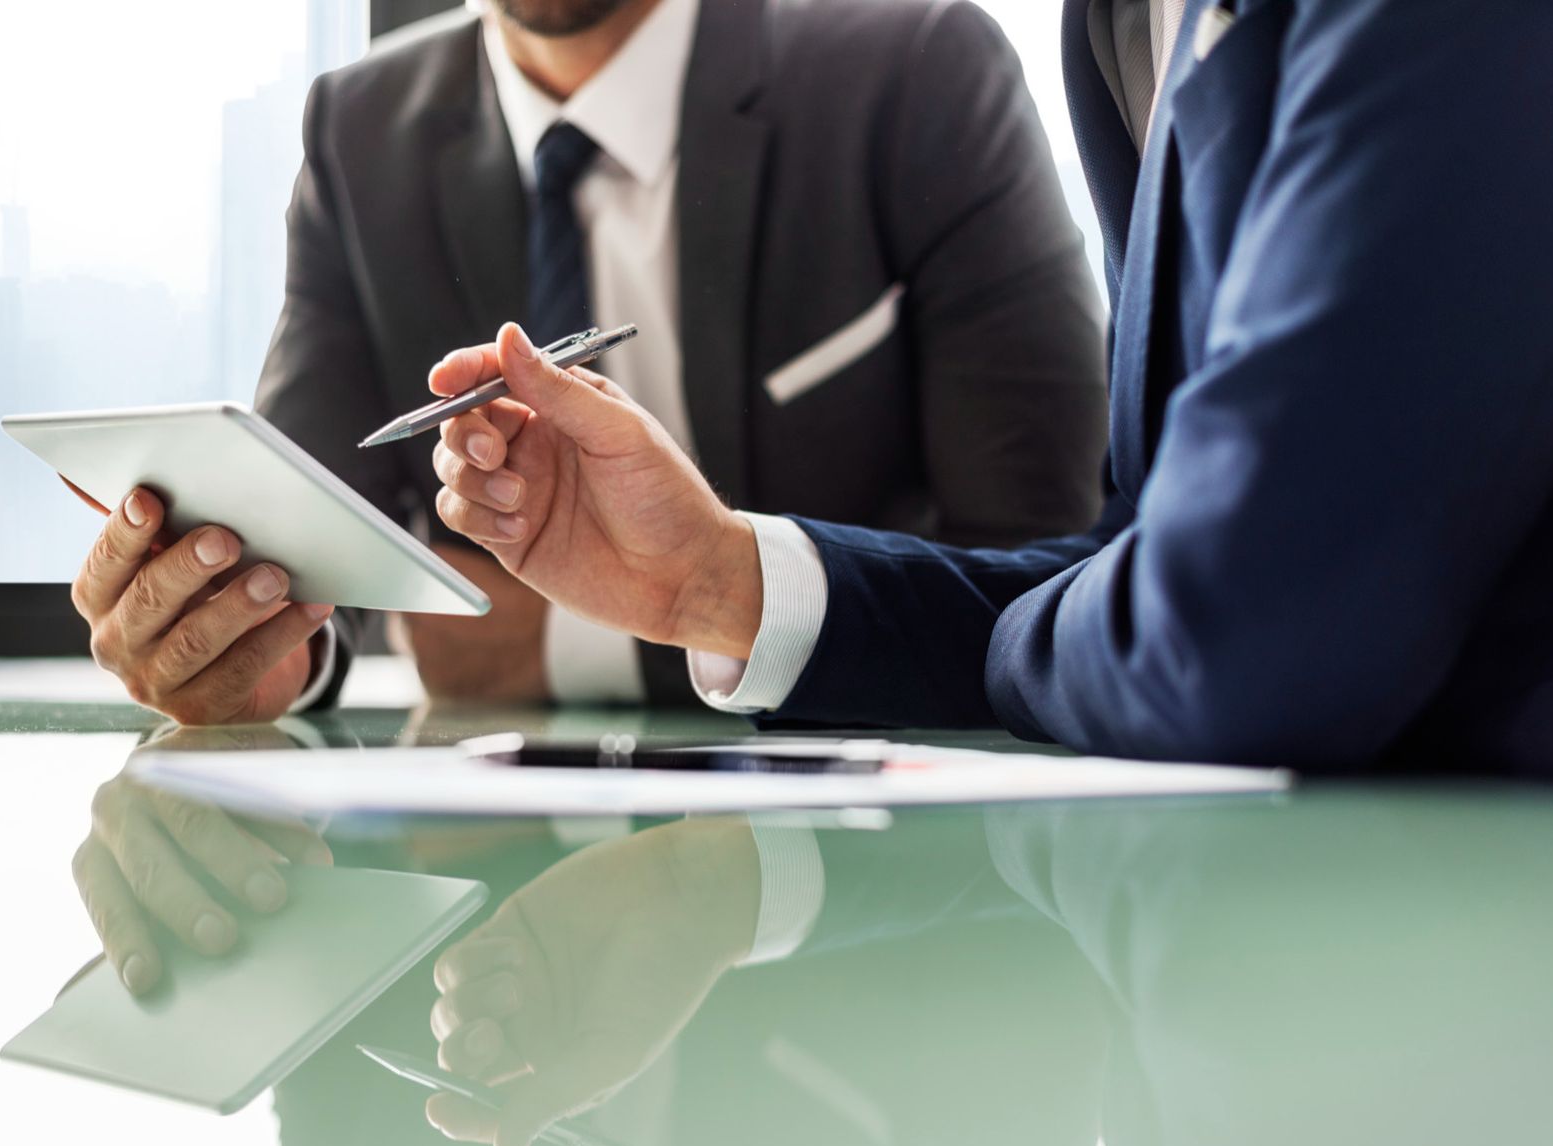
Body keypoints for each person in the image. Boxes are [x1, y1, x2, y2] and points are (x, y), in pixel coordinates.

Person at [424, 0, 1553, 790]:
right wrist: (715, 583)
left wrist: (1141, 609)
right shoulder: (1122, 26)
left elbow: (1235, 634)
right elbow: (1149, 560)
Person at [69, 0, 1111, 723]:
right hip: (492, 935)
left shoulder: (918, 74)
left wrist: (581, 647)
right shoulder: (360, 132)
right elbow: (299, 533)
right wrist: (261, 651)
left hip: (875, 904)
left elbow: (1056, 575)